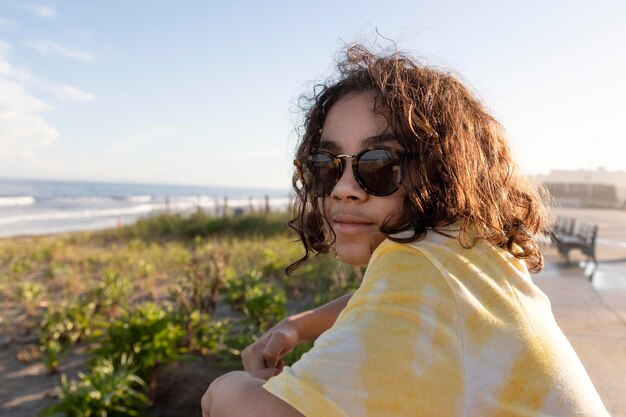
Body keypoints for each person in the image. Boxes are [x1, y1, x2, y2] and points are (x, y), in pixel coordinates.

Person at [201, 44, 610, 417]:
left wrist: (229, 388)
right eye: (326, 164)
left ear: (441, 172)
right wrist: (300, 324)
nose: (343, 188)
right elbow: (397, 295)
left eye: (379, 163)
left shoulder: (420, 270)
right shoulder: (465, 245)